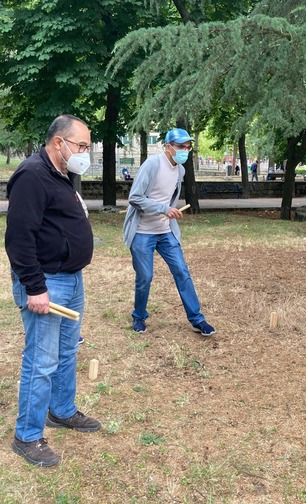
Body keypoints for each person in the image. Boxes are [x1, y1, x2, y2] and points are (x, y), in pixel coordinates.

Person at [5, 114, 101, 467]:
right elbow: (18, 239)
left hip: (71, 278)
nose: (85, 153)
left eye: (88, 147)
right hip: (46, 282)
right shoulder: (32, 175)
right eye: (81, 146)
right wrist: (35, 287)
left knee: (66, 352)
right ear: (58, 142)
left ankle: (60, 410)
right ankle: (27, 436)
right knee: (41, 361)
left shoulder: (65, 172)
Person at [123, 127, 215, 337]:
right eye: (181, 146)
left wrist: (169, 213)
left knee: (182, 271)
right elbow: (135, 197)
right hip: (142, 232)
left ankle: (197, 319)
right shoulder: (153, 164)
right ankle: (139, 316)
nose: (185, 150)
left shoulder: (180, 170)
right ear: (168, 147)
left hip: (165, 232)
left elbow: (169, 197)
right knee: (145, 277)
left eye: (188, 147)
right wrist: (164, 209)